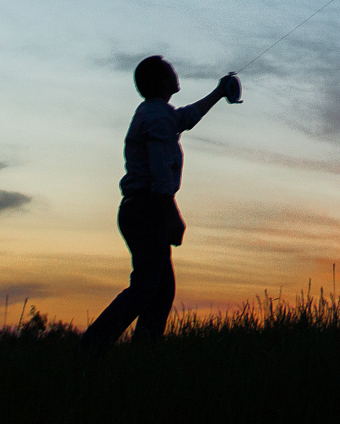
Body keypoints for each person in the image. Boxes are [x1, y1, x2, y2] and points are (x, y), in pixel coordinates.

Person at [82, 56, 240, 348]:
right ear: (159, 81)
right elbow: (159, 171)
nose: (175, 74)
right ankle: (90, 348)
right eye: (170, 71)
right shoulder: (156, 116)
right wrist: (172, 215)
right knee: (145, 289)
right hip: (147, 210)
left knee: (161, 289)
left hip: (139, 209)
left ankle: (140, 351)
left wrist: (219, 93)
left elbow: (186, 118)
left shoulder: (157, 113)